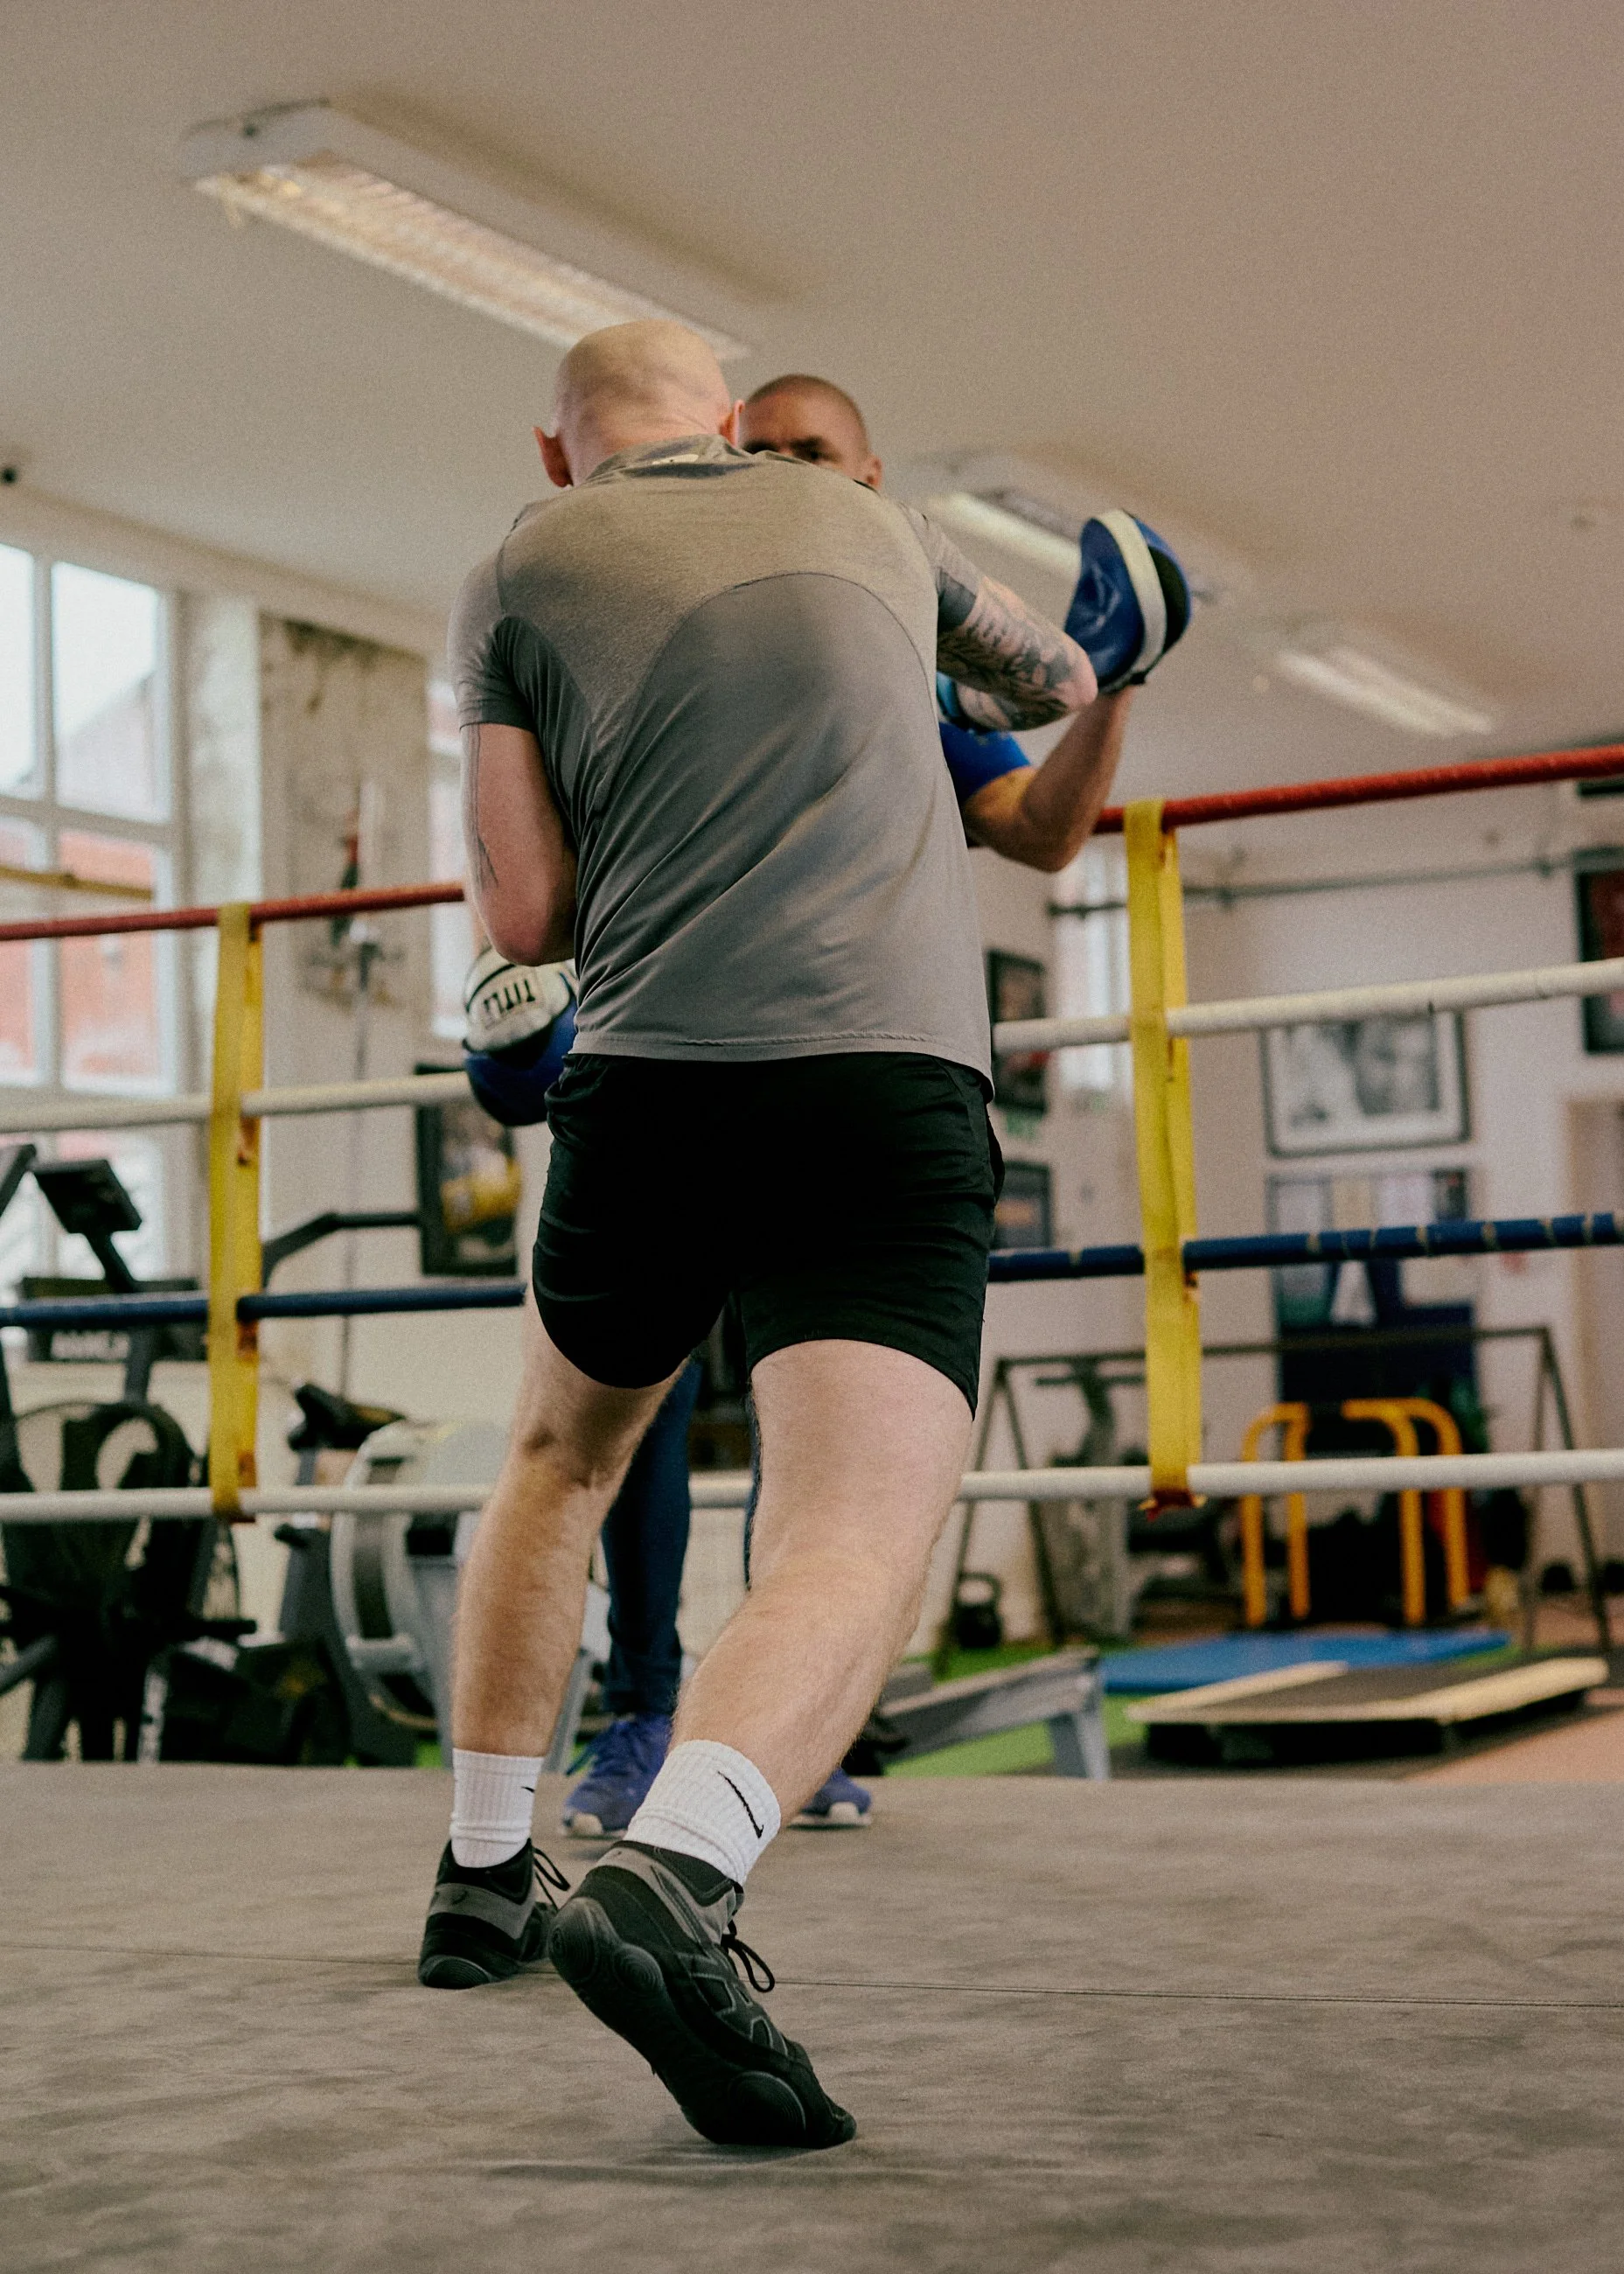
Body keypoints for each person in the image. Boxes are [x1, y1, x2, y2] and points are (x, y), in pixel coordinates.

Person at [422, 319, 1178, 2148]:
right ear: (742, 431)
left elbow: (526, 908)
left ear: (558, 451)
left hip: (653, 1079)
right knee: (852, 1524)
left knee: (554, 1451)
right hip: (879, 1088)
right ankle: (680, 1868)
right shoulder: (887, 539)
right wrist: (1118, 635)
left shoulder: (516, 565)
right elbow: (1059, 680)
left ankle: (480, 1872)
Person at [543, 368, 1164, 1843]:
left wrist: (1116, 681)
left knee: (823, 1437)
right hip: (669, 1062)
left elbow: (1042, 829)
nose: (779, 481)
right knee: (619, 1412)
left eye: (808, 457)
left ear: (872, 483)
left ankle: (769, 1735)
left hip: (843, 1077)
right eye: (750, 456)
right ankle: (644, 1716)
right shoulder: (662, 629)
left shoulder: (891, 655)